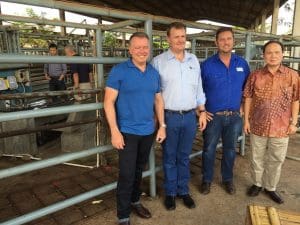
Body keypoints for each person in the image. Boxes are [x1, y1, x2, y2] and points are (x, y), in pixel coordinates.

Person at [104, 32, 166, 225]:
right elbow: (108, 102)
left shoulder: (153, 73)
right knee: (126, 173)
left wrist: (162, 126)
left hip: (148, 131)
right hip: (127, 132)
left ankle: (135, 200)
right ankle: (123, 215)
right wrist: (114, 130)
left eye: (145, 47)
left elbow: (158, 100)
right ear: (130, 50)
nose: (142, 51)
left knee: (139, 169)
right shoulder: (119, 71)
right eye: (137, 47)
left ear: (149, 49)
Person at [152, 22, 207, 210]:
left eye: (183, 36)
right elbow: (155, 94)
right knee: (169, 156)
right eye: (176, 36)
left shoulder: (193, 60)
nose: (180, 40)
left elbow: (198, 88)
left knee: (184, 156)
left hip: (190, 116)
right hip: (169, 116)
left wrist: (202, 111)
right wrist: (159, 121)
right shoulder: (159, 62)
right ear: (168, 39)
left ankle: (183, 191)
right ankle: (170, 192)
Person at [243, 40, 299, 204]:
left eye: (276, 52)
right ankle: (257, 183)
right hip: (258, 125)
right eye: (269, 52)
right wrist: (246, 120)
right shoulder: (255, 75)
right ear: (263, 55)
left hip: (281, 127)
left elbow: (296, 100)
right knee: (256, 157)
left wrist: (293, 123)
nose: (273, 56)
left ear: (283, 54)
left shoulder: (293, 76)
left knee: (276, 159)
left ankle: (270, 187)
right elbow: (248, 98)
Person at [200, 27, 250, 195]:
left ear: (233, 41)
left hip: (235, 116)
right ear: (216, 42)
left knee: (230, 149)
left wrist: (243, 107)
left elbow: (247, 90)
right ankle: (206, 180)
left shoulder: (242, 64)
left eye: (229, 39)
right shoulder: (206, 65)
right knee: (209, 149)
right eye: (222, 39)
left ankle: (227, 179)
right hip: (212, 116)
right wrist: (200, 111)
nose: (226, 42)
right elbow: (197, 90)